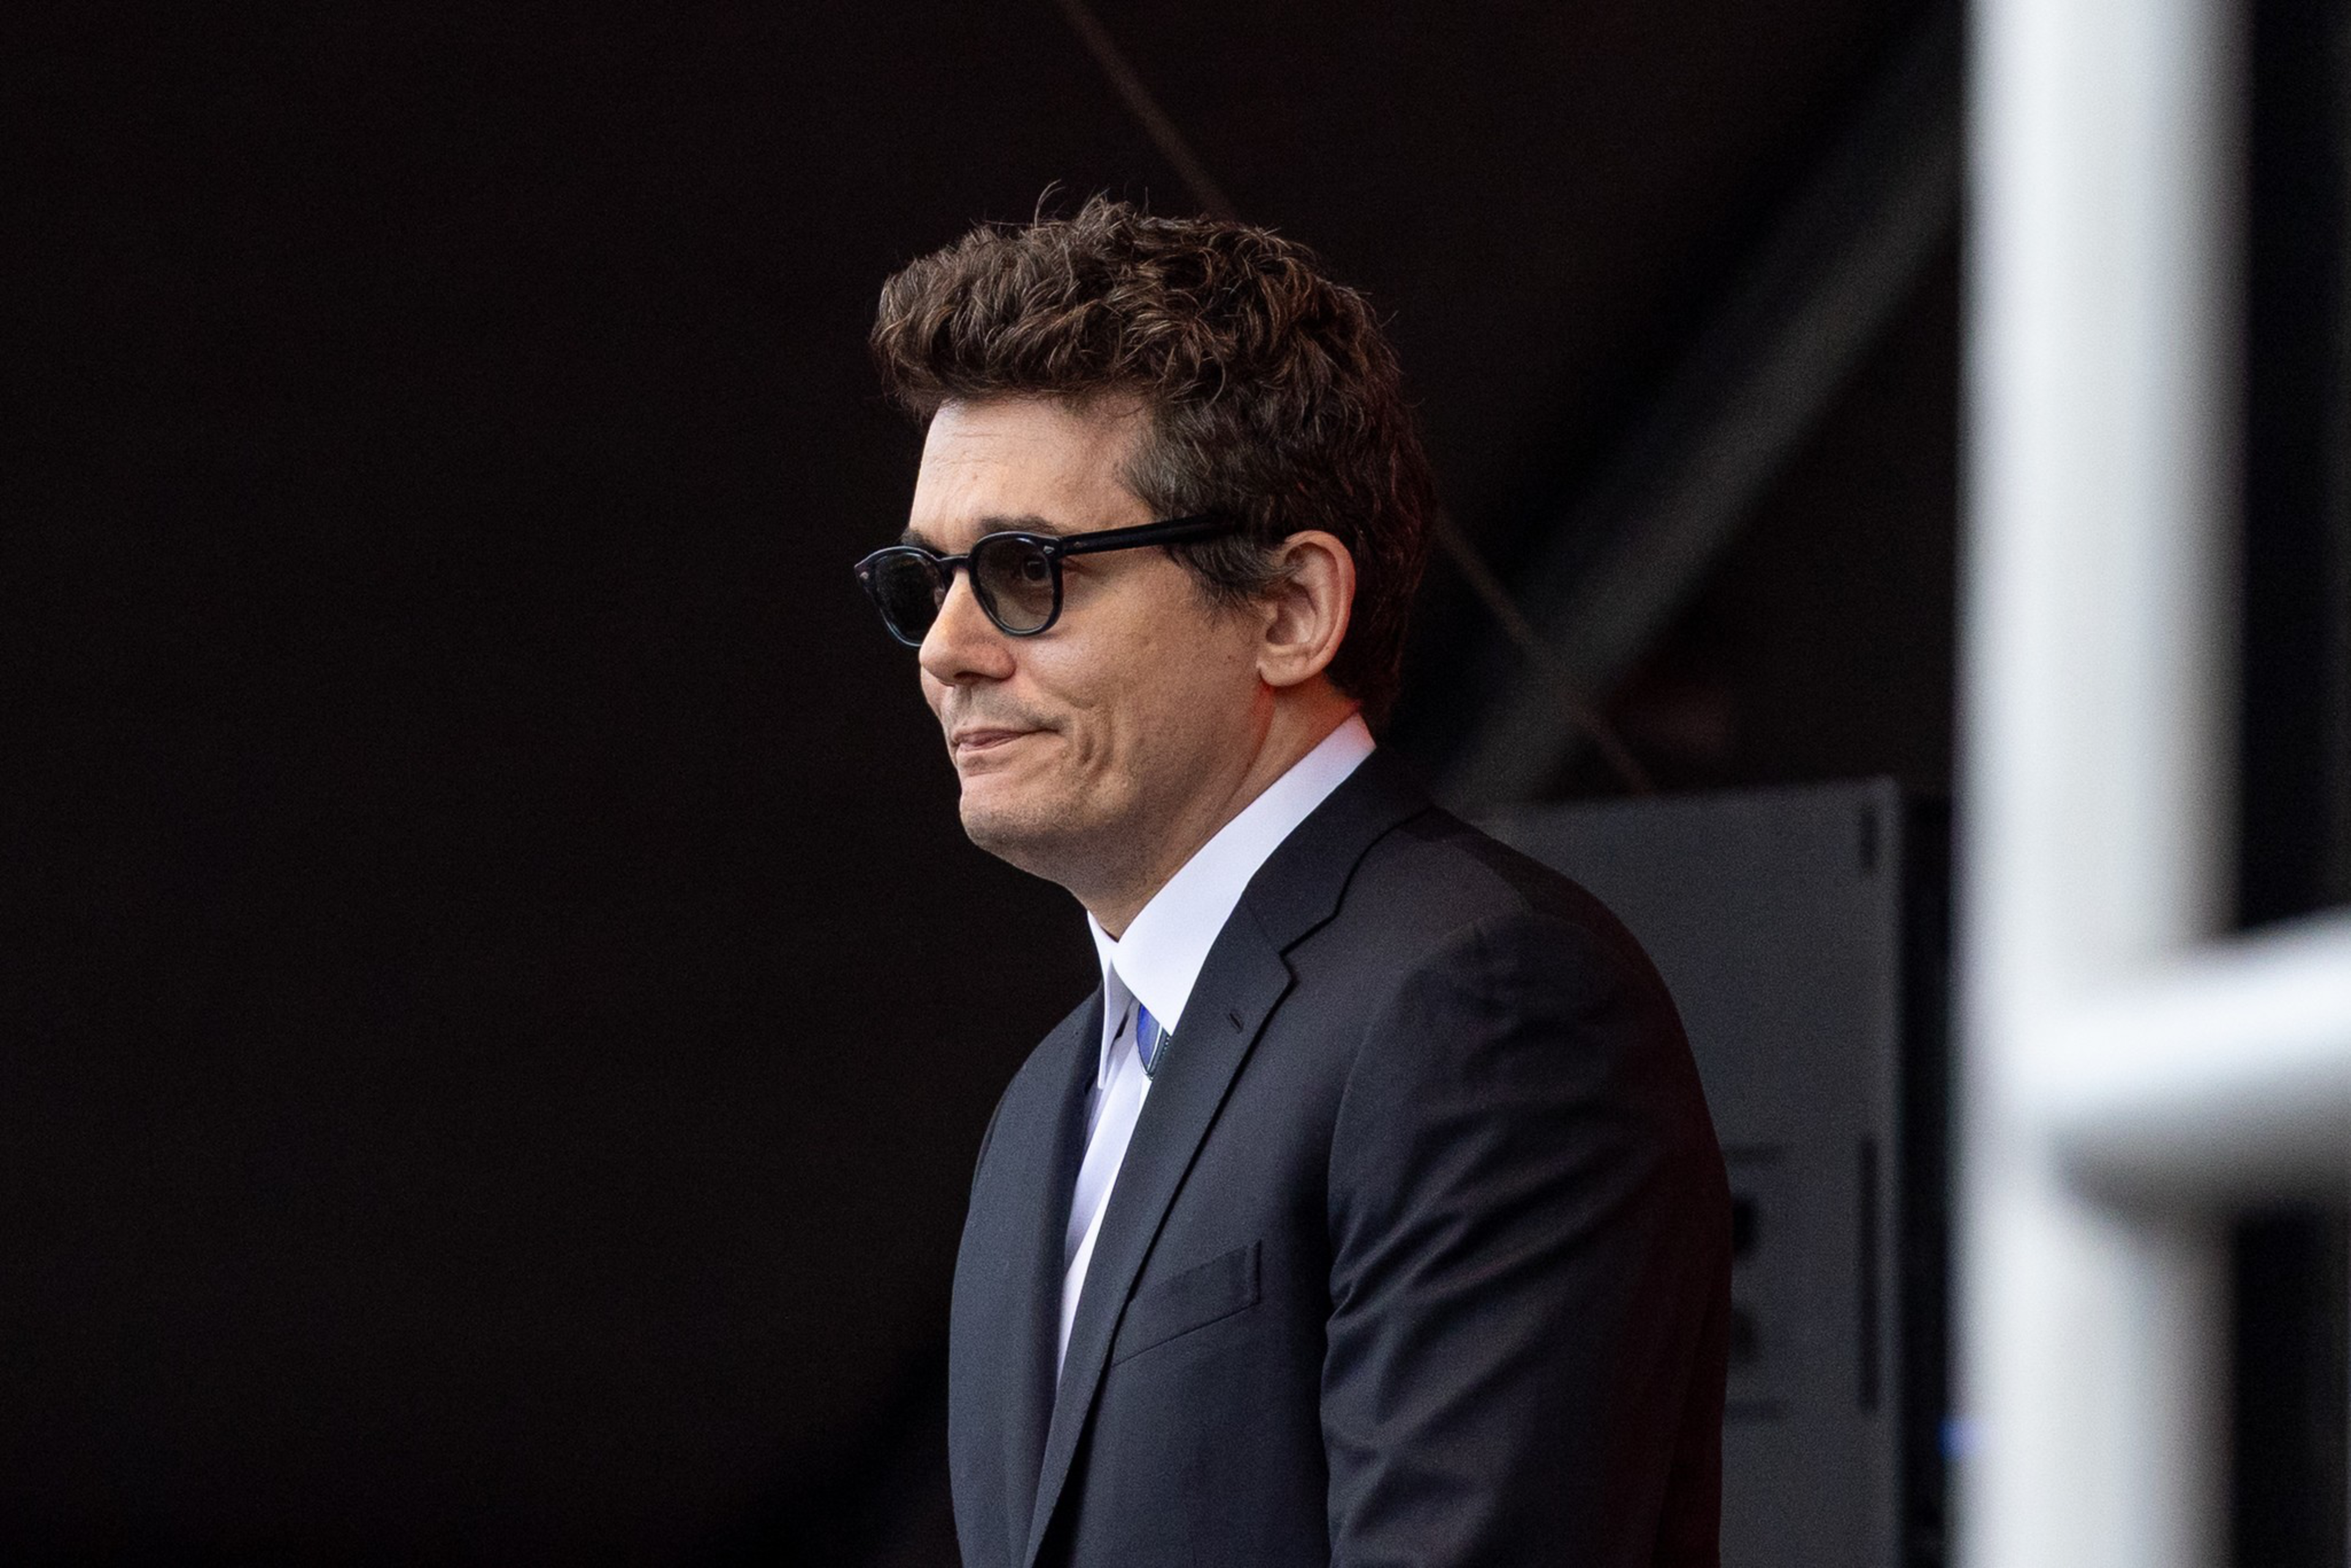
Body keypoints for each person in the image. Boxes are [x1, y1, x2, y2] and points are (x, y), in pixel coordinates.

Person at [857, 197, 1730, 1568]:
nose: (948, 647)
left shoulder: (1482, 999)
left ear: (1288, 609)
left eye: (1026, 571)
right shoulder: (1042, 1109)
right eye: (926, 580)